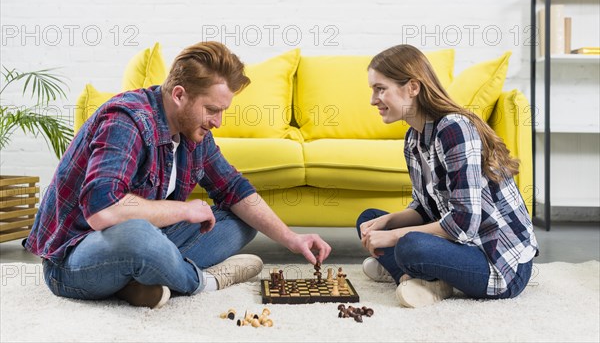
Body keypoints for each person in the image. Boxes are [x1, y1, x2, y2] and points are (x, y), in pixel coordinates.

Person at [25, 41, 331, 309]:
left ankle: (143, 280)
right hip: (74, 260)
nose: (218, 122)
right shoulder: (127, 120)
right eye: (212, 109)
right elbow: (103, 212)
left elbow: (234, 189)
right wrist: (184, 210)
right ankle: (200, 281)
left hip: (147, 244)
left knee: (241, 219)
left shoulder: (193, 133)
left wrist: (292, 239)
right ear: (180, 95)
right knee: (137, 234)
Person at [357, 44, 538, 308]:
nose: (373, 100)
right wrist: (389, 221)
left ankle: (413, 273)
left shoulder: (454, 129)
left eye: (380, 89)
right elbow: (424, 207)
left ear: (413, 87)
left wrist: (394, 237)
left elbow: (464, 223)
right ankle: (417, 277)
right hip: (462, 244)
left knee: (409, 246)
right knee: (370, 220)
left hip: (498, 263)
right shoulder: (413, 139)